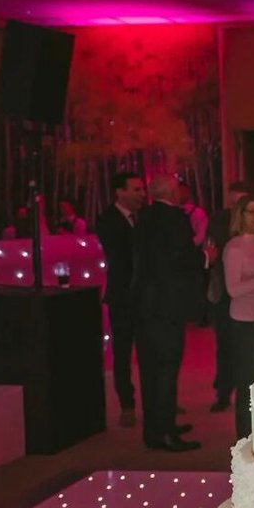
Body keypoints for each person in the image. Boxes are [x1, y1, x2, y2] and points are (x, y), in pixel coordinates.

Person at [131, 174, 203, 452]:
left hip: (145, 304)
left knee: (150, 370)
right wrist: (204, 256)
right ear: (171, 192)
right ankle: (166, 432)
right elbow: (179, 258)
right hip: (167, 305)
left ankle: (155, 428)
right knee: (166, 370)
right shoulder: (175, 218)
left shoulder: (144, 217)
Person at [96, 172, 147, 428]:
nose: (141, 194)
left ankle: (154, 399)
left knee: (150, 349)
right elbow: (122, 257)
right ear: (119, 192)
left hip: (143, 295)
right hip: (123, 295)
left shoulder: (141, 218)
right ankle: (127, 403)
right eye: (136, 189)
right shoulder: (108, 220)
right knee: (123, 351)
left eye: (141, 189)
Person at [222, 195, 254, 440]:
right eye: (251, 212)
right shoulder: (234, 247)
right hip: (244, 322)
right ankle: (244, 438)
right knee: (247, 383)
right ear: (240, 215)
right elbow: (233, 290)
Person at [205, 181, 250, 413]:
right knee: (224, 344)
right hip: (224, 291)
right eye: (233, 202)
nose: (236, 207)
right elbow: (210, 249)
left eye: (240, 202)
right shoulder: (219, 220)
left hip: (252, 293)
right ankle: (223, 392)